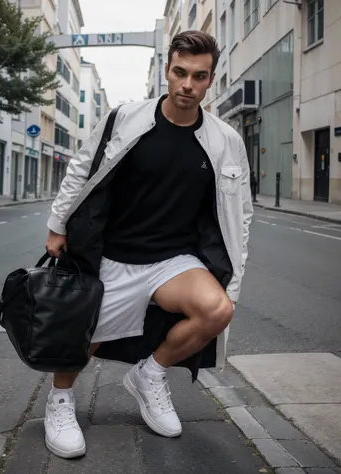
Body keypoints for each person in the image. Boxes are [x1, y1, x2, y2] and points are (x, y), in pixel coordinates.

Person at [44, 30, 253, 459]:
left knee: (218, 310)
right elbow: (82, 169)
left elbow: (241, 213)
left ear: (211, 79)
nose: (187, 86)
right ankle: (59, 402)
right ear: (167, 70)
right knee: (81, 340)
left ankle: (151, 373)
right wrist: (57, 223)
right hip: (114, 257)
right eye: (180, 73)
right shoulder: (125, 118)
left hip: (173, 261)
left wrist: (235, 276)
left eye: (199, 76)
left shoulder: (225, 140)